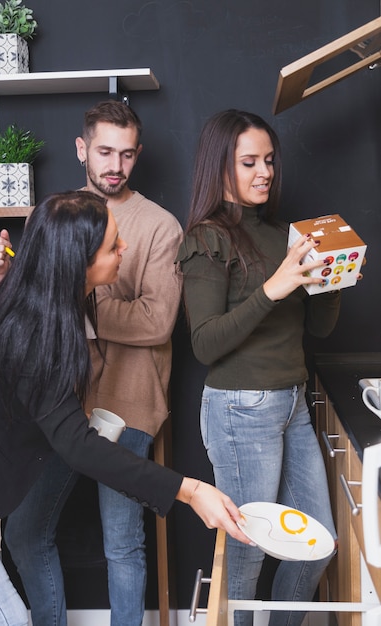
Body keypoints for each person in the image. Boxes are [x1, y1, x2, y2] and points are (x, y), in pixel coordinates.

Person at [0, 190, 249, 626]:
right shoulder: (34, 332)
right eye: (113, 246)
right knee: (8, 620)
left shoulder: (55, 305)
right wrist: (190, 490)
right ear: (79, 262)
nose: (125, 249)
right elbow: (78, 446)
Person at [0, 101, 183, 626]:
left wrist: (70, 296)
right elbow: (31, 302)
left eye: (127, 154)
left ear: (137, 156)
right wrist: (3, 273)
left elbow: (157, 323)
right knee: (25, 531)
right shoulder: (52, 215)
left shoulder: (160, 226)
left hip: (128, 401)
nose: (115, 164)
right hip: (62, 404)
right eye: (104, 151)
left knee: (122, 543)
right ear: (82, 150)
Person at [175, 110, 341, 626]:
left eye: (268, 160)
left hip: (291, 400)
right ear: (220, 166)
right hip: (240, 408)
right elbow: (204, 343)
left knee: (318, 545)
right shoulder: (206, 239)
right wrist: (276, 286)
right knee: (247, 556)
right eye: (249, 162)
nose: (264, 172)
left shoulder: (279, 236)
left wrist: (331, 278)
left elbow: (319, 330)